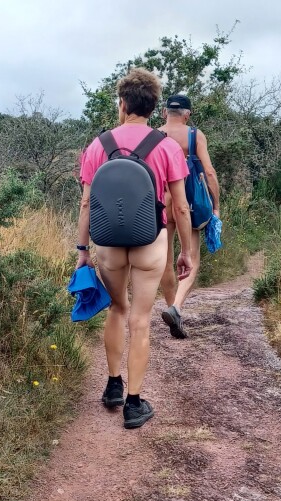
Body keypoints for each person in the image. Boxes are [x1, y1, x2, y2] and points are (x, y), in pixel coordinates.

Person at [76, 69, 194, 429]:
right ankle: (134, 403)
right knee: (140, 320)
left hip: (108, 243)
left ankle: (113, 385)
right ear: (154, 108)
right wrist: (186, 251)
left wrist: (82, 251)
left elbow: (86, 204)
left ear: (123, 104)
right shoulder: (167, 146)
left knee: (116, 308)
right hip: (151, 242)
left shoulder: (98, 145)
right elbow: (180, 207)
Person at [158, 94, 221, 338]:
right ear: (188, 114)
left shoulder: (154, 136)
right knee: (191, 257)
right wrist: (216, 206)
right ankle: (176, 307)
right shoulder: (195, 135)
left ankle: (171, 311)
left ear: (164, 112)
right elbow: (209, 172)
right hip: (189, 202)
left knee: (166, 260)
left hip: (162, 202)